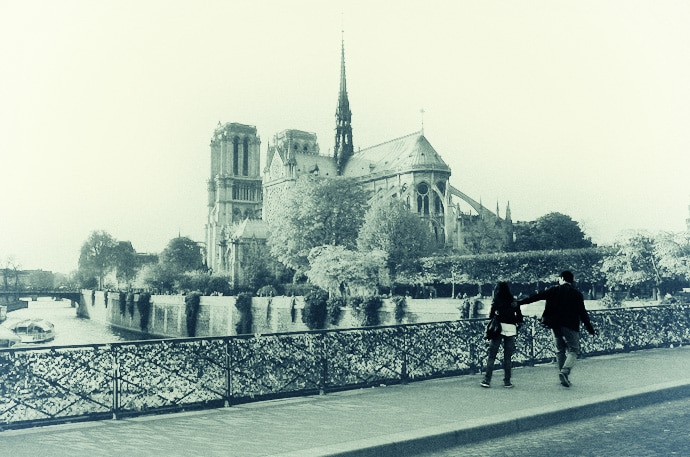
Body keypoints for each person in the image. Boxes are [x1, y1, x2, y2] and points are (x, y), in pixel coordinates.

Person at [518, 270, 597, 388]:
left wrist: (519, 303)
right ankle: (565, 372)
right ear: (571, 280)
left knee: (560, 350)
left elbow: (536, 297)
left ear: (562, 278)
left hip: (554, 325)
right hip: (570, 325)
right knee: (574, 350)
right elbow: (582, 313)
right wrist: (590, 328)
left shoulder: (553, 290)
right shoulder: (576, 294)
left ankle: (563, 376)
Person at [481, 282, 523, 388]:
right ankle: (507, 381)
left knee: (492, 356)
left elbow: (491, 315)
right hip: (511, 330)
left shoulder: (496, 301)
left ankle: (487, 380)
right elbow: (520, 318)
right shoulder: (513, 301)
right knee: (507, 357)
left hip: (498, 329)